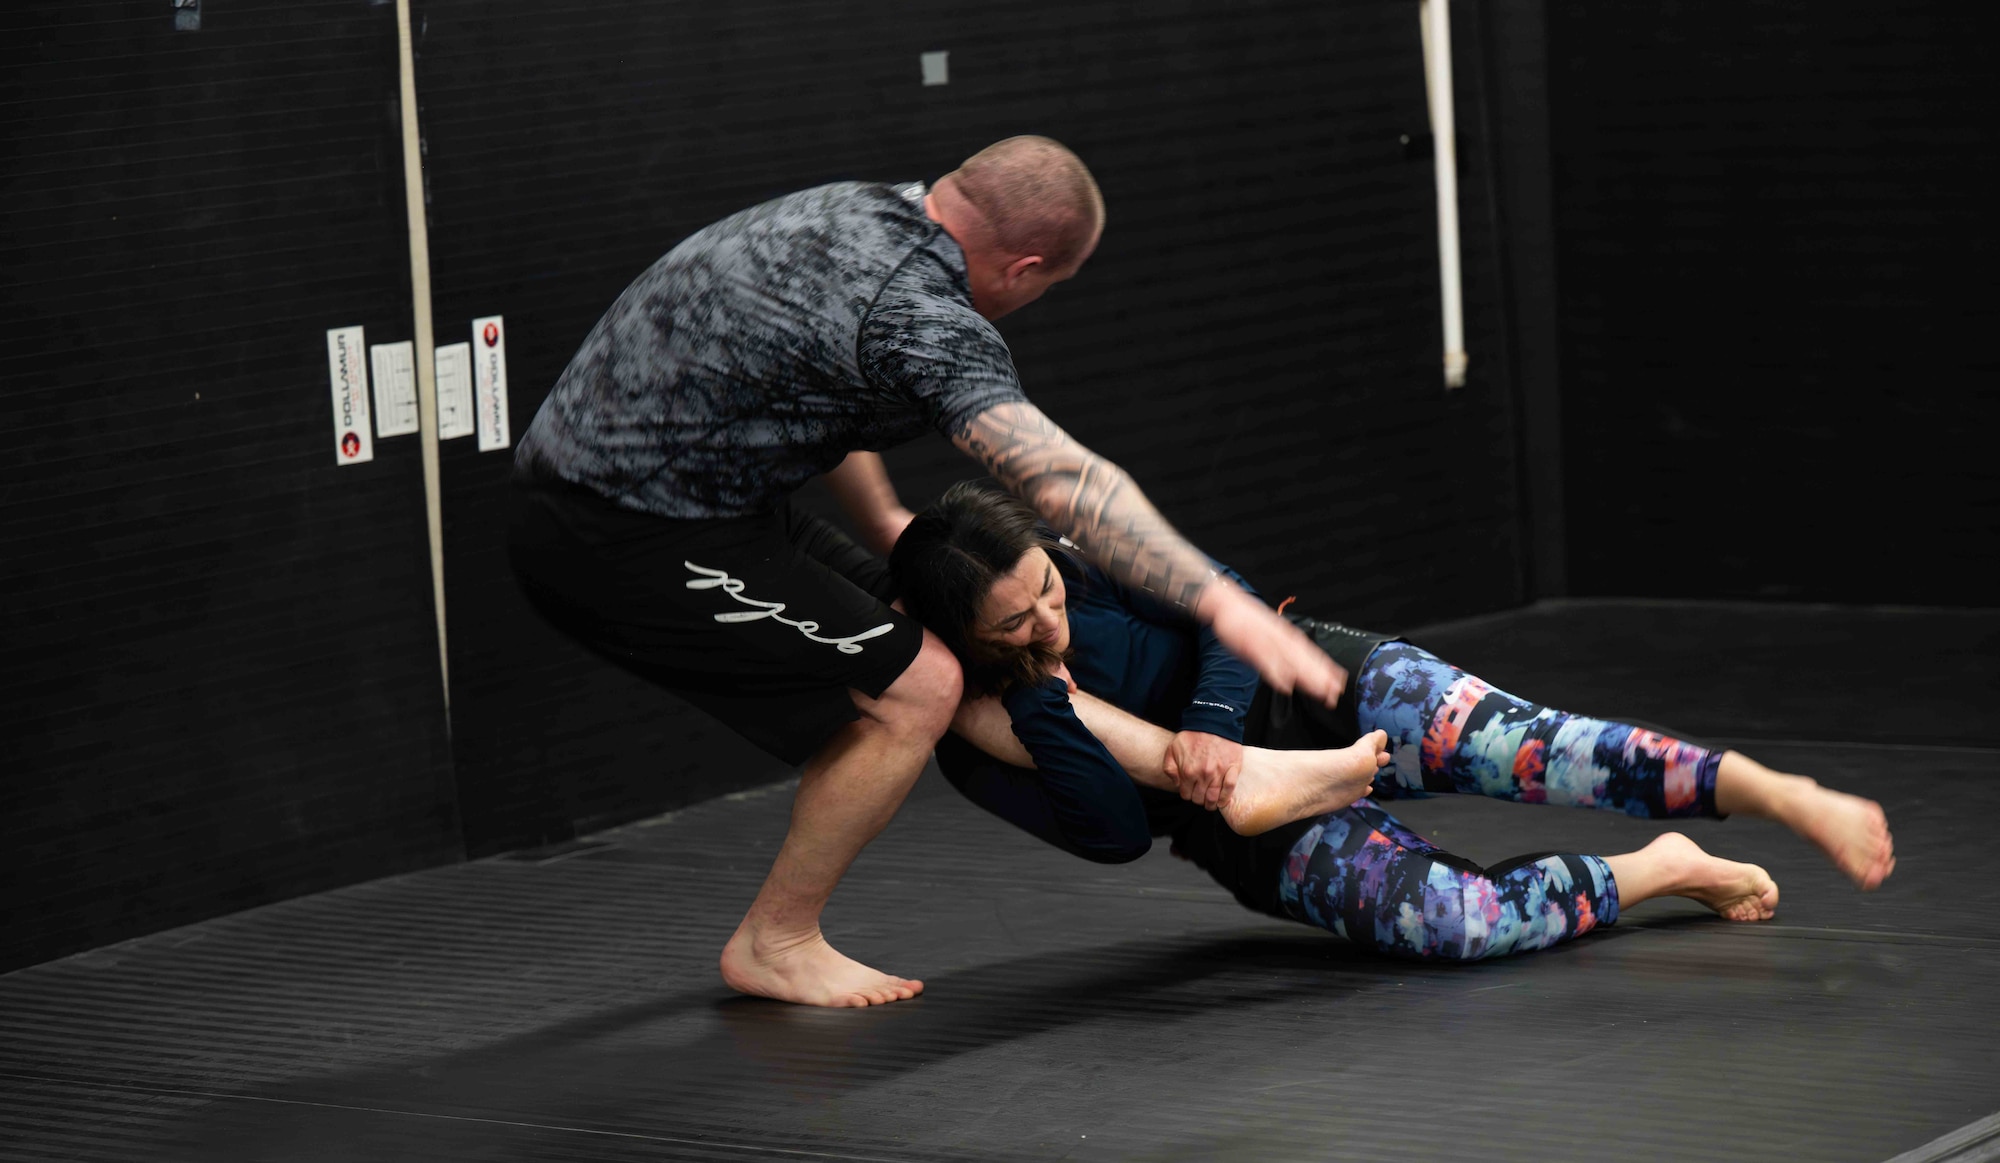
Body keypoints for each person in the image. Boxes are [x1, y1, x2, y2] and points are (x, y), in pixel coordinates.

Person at [507, 137, 1345, 1007]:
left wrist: (878, 518)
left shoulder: (852, 209)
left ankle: (1222, 773)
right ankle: (776, 939)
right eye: (1046, 289)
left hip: (703, 498)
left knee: (946, 635)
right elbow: (1066, 480)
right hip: (611, 527)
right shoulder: (923, 315)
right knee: (919, 686)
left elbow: (812, 380)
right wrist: (1220, 602)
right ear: (1024, 269)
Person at [888, 483, 1897, 961]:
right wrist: (1042, 692)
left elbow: (1227, 602)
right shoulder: (979, 739)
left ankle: (1772, 790)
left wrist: (1209, 722)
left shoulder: (1078, 558)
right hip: (1234, 818)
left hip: (1311, 681)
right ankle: (1662, 866)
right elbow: (1109, 834)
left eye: (1046, 591)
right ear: (962, 637)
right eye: (1013, 622)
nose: (1047, 618)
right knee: (1454, 924)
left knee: (1536, 747)